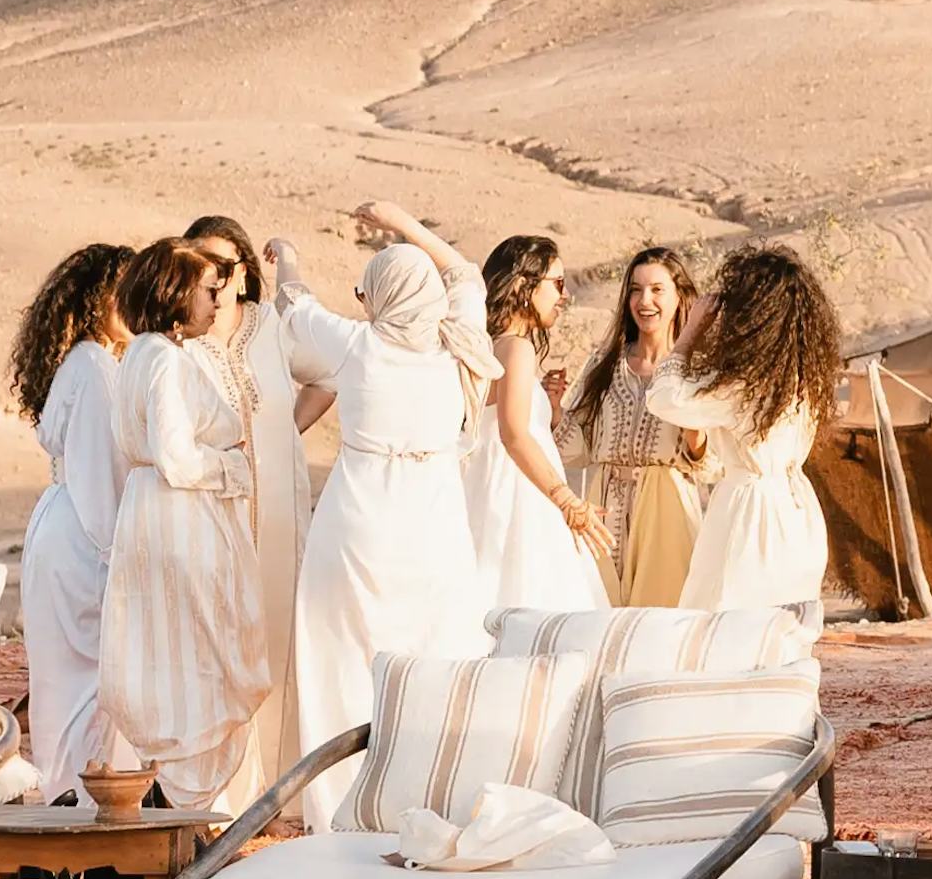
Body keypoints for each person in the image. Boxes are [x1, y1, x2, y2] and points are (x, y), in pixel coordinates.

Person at [276, 214, 500, 780]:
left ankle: (339, 790)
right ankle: (431, 779)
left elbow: (293, 305)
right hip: (435, 516)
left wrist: (287, 254)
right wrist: (401, 222)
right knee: (436, 647)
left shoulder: (355, 345)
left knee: (345, 657)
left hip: (359, 518)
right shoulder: (460, 344)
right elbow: (466, 274)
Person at [94, 234, 272, 809]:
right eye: (207, 291)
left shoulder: (141, 353)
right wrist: (232, 466)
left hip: (155, 514)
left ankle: (179, 803)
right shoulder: (166, 359)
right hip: (183, 518)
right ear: (176, 294)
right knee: (198, 651)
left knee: (173, 650)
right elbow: (175, 457)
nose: (217, 304)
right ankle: (185, 808)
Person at [6, 238, 132, 802]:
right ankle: (85, 810)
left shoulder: (80, 361)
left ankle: (62, 796)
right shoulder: (97, 367)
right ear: (97, 301)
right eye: (123, 293)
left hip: (57, 526)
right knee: (90, 679)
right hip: (83, 537)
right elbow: (98, 476)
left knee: (62, 679)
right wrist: (116, 564)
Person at [183, 213, 306, 779]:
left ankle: (279, 780)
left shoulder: (273, 327)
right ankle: (225, 784)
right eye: (201, 266)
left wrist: (282, 436)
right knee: (221, 642)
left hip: (278, 508)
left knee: (278, 632)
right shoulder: (180, 343)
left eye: (225, 267)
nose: (216, 279)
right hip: (215, 516)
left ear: (244, 273)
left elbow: (329, 374)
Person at [671, 245, 840, 632]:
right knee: (782, 631)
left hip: (750, 513)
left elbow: (666, 398)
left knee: (723, 623)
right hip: (798, 513)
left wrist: (689, 336)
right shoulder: (803, 381)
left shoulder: (744, 386)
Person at [463, 230, 612, 621]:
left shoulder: (487, 343)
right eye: (557, 283)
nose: (563, 295)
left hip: (493, 487)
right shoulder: (516, 347)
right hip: (519, 501)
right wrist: (568, 502)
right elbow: (513, 434)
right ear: (524, 284)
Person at [566, 247, 708, 601]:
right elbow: (577, 448)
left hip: (667, 508)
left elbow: (707, 459)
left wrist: (690, 411)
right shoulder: (604, 364)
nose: (645, 300)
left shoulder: (697, 369)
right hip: (604, 510)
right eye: (635, 289)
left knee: (661, 626)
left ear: (680, 296)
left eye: (657, 289)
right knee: (596, 616)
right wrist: (554, 409)